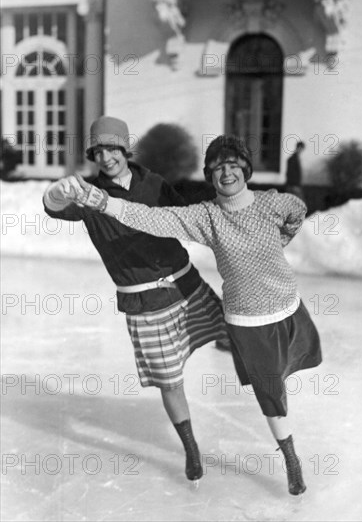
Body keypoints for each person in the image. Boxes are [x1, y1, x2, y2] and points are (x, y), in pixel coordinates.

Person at [73, 134, 323, 496]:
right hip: (248, 321)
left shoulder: (271, 203)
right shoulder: (207, 216)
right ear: (209, 175)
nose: (226, 173)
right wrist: (106, 203)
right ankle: (291, 459)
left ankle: (282, 434)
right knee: (271, 397)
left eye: (233, 165)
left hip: (289, 308)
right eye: (218, 168)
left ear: (245, 169)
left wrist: (283, 236)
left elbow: (296, 210)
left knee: (291, 372)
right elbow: (152, 218)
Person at [42, 117, 230, 483]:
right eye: (99, 151)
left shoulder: (154, 183)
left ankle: (267, 394)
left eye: (112, 148)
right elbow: (52, 207)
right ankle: (191, 449)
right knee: (170, 382)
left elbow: (188, 219)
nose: (106, 157)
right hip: (145, 303)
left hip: (187, 285)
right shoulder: (88, 195)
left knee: (236, 335)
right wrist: (58, 193)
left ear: (125, 149)